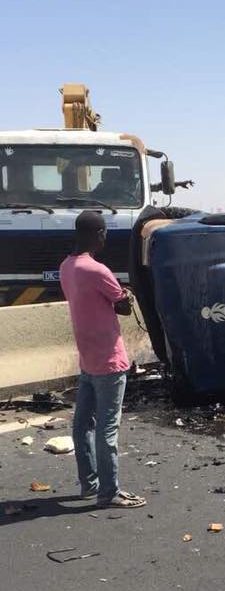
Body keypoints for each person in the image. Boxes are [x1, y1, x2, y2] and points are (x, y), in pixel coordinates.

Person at [59, 211, 146, 508]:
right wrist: (127, 296)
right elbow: (121, 307)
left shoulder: (66, 267)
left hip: (87, 360)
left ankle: (89, 484)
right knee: (107, 429)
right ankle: (109, 492)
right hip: (110, 361)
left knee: (82, 424)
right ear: (97, 234)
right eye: (104, 232)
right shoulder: (98, 270)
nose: (106, 237)